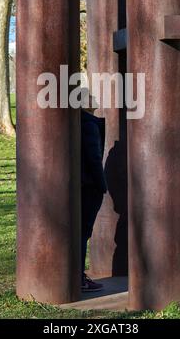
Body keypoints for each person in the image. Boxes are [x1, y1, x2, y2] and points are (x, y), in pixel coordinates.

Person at [81, 105, 107, 292]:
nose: (95, 100)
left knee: (80, 231)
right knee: (83, 231)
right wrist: (102, 185)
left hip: (80, 184)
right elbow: (94, 158)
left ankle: (77, 276)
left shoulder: (76, 122)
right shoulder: (88, 123)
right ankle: (79, 277)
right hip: (89, 185)